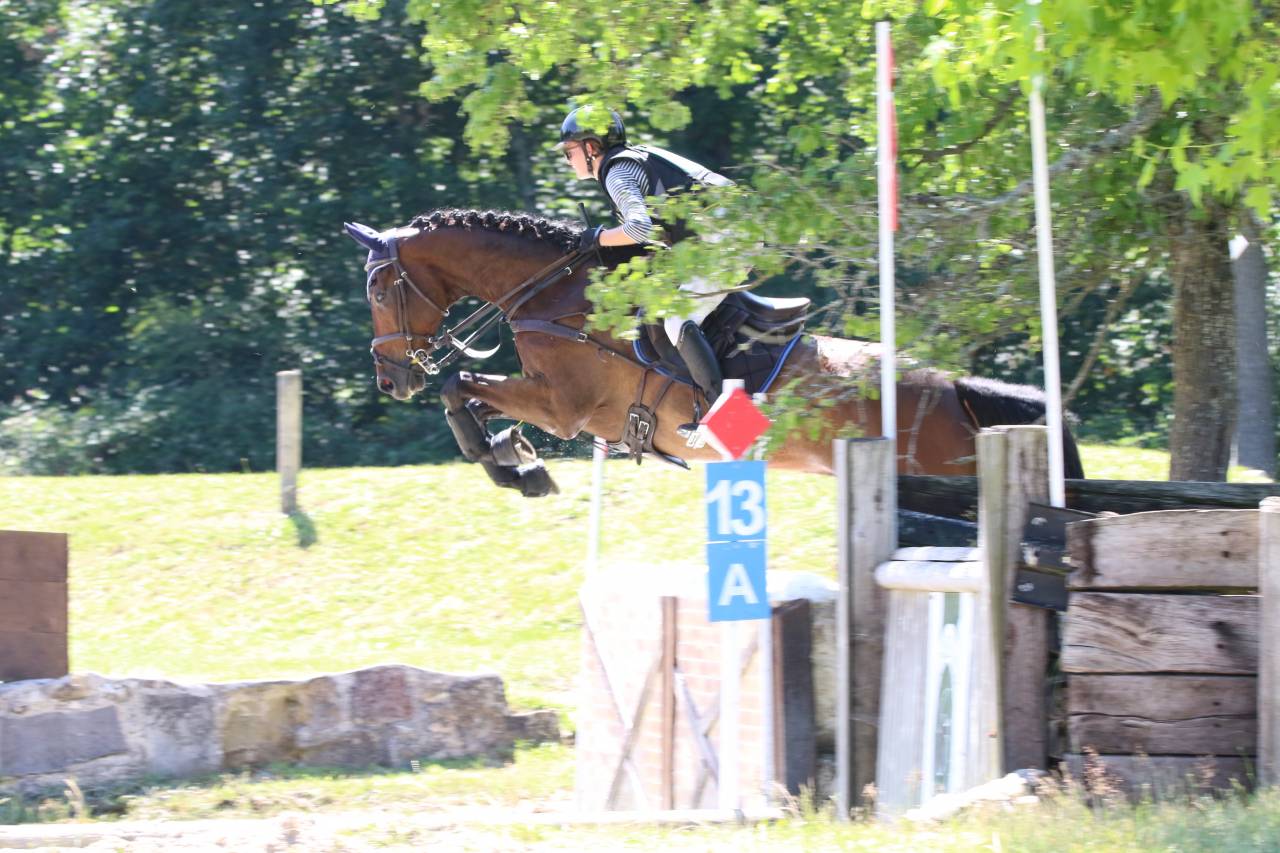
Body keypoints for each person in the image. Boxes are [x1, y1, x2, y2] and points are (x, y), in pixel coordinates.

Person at [557, 105, 736, 427]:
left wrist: (596, 238)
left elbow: (639, 229)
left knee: (677, 318)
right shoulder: (631, 160)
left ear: (591, 147)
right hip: (714, 239)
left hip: (726, 240)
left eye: (569, 151)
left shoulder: (617, 172)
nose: (567, 160)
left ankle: (728, 419)